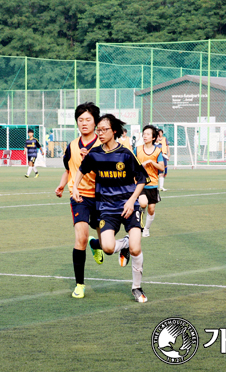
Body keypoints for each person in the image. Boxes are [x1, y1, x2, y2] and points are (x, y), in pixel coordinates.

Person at [72, 114, 150, 303]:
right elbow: (82, 170)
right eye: (98, 130)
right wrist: (75, 187)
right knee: (107, 248)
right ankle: (123, 243)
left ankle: (136, 287)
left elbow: (141, 180)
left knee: (136, 247)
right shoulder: (95, 153)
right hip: (107, 207)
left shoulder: (125, 153)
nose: (99, 133)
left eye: (103, 130)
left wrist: (132, 201)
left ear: (113, 131)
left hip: (129, 205)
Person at [54, 102, 129, 299]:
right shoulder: (71, 146)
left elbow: (114, 173)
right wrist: (63, 185)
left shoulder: (104, 145)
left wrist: (95, 160)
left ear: (95, 122)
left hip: (102, 199)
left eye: (88, 119)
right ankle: (80, 284)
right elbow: (69, 169)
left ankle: (100, 244)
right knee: (80, 238)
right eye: (80, 120)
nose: (84, 123)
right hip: (79, 197)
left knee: (108, 247)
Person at [136, 125, 165, 238]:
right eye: (144, 134)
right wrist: (140, 165)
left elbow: (162, 168)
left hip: (152, 183)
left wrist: (152, 162)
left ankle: (146, 229)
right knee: (143, 203)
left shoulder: (157, 151)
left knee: (151, 209)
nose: (145, 136)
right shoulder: (137, 149)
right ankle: (140, 222)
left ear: (153, 137)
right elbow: (132, 164)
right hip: (140, 182)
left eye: (148, 134)